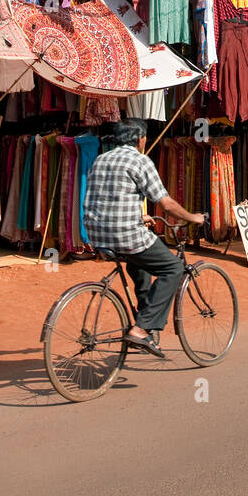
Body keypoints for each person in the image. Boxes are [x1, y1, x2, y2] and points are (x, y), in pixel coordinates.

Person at [82, 119, 206, 359]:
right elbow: (166, 203)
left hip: (97, 235)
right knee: (173, 268)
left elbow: (110, 197)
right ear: (139, 139)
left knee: (140, 264)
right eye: (144, 138)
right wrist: (194, 218)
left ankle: (143, 320)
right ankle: (140, 330)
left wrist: (142, 216)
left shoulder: (101, 159)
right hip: (125, 234)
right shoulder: (140, 160)